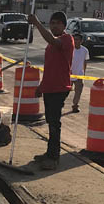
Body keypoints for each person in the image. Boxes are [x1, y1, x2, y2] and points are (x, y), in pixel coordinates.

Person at [28, 10, 74, 169]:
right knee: (50, 122)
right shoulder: (51, 44)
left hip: (59, 88)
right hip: (49, 88)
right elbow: (50, 68)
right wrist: (42, 86)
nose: (54, 26)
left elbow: (53, 40)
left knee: (54, 123)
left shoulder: (66, 39)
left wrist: (37, 23)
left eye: (57, 24)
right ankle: (49, 153)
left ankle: (54, 158)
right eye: (52, 23)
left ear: (64, 26)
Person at [70, 32, 89, 113]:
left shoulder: (84, 50)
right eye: (74, 39)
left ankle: (75, 105)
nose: (75, 41)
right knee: (64, 91)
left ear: (81, 41)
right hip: (69, 74)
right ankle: (59, 104)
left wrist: (84, 73)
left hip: (79, 75)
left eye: (77, 39)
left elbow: (85, 62)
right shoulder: (70, 49)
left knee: (78, 91)